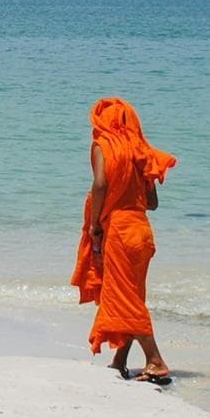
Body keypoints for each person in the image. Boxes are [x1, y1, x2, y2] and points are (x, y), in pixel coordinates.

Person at [71, 98, 177, 385]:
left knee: (123, 296)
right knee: (131, 295)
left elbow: (101, 183)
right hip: (141, 231)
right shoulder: (141, 151)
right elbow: (152, 203)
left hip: (118, 229)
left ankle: (155, 361)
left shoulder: (103, 145)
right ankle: (120, 360)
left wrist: (94, 224)